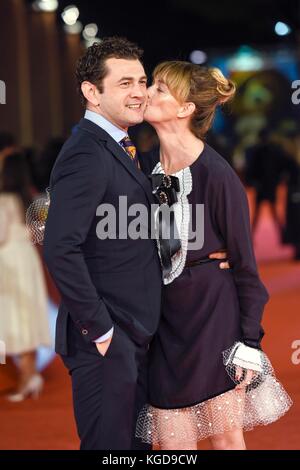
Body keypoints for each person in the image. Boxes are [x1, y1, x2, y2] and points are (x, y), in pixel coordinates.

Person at [43, 38, 228, 450]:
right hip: (107, 341)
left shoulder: (126, 150)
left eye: (142, 81)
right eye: (125, 83)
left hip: (138, 334)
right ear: (92, 92)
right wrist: (102, 329)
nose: (139, 92)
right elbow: (59, 247)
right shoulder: (85, 154)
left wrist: (211, 250)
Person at [135, 61, 292, 450]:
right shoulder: (141, 168)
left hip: (213, 319)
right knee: (170, 446)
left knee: (225, 439)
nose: (148, 93)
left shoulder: (217, 176)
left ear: (186, 108)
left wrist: (250, 341)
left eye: (160, 88)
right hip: (162, 325)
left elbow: (245, 268)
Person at [0, 153, 51, 401]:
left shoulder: (5, 200)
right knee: (27, 317)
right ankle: (30, 375)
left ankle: (27, 377)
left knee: (12, 319)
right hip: (28, 259)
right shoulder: (30, 198)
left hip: (8, 261)